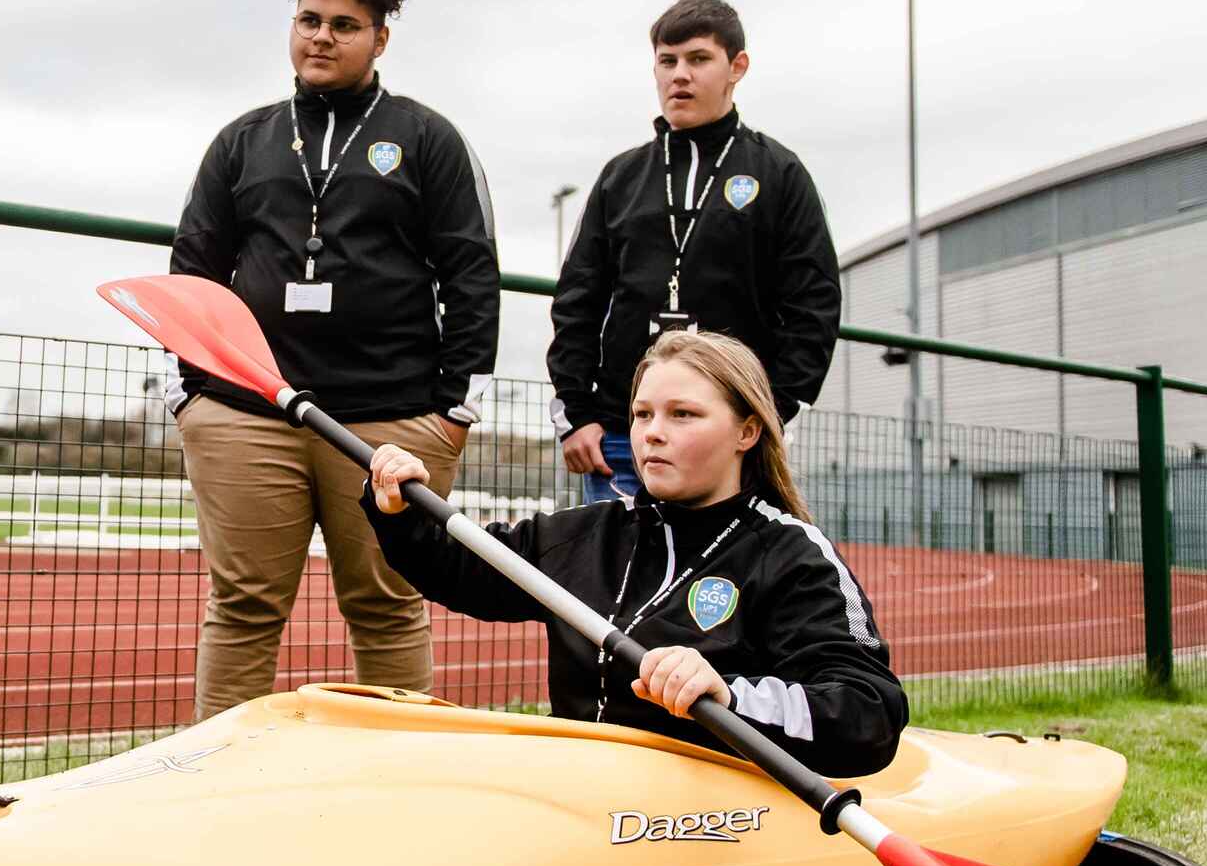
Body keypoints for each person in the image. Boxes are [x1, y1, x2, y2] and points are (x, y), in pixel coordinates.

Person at [169, 0, 500, 719]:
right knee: (243, 606)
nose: (321, 37)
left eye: (343, 25)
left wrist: (453, 410)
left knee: (386, 605)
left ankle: (394, 784)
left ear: (379, 38)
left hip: (389, 417)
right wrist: (192, 393)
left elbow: (471, 273)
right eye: (309, 20)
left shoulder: (427, 137)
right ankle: (216, 780)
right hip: (247, 412)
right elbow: (193, 268)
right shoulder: (242, 139)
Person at [362, 330, 904, 776]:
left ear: (747, 430)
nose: (652, 435)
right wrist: (399, 509)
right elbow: (458, 569)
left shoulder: (790, 555)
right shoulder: (586, 534)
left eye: (682, 415)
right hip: (576, 796)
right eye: (642, 415)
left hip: (706, 825)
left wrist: (731, 696)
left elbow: (868, 712)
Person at [548, 0, 840, 502]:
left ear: (737, 67)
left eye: (699, 59)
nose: (679, 75)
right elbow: (577, 301)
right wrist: (578, 415)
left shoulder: (778, 171)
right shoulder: (622, 176)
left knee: (724, 580)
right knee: (619, 579)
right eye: (667, 61)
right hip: (625, 438)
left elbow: (813, 305)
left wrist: (772, 411)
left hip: (729, 441)